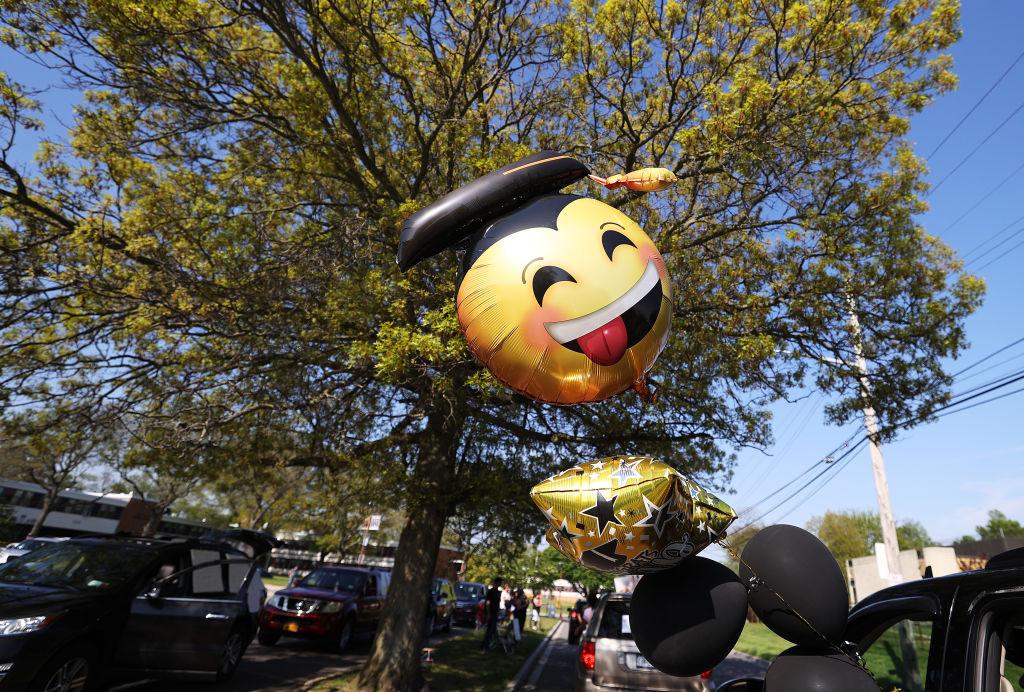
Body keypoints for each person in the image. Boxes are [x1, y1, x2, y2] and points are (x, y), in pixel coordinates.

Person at [480, 577, 503, 652]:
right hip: (491, 613)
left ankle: (484, 644)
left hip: (495, 613)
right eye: (500, 582)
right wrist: (488, 614)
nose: (500, 584)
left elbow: (497, 603)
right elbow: (487, 603)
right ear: (497, 582)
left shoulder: (497, 591)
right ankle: (485, 647)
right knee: (490, 630)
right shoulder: (491, 591)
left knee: (492, 630)